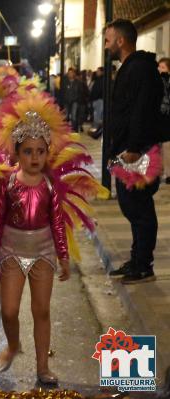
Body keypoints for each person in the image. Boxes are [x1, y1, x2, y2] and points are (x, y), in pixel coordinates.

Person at [0, 108, 71, 386]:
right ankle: (12, 345)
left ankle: (43, 367)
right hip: (11, 251)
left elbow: (57, 223)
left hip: (43, 253)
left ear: (47, 154)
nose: (35, 158)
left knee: (41, 310)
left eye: (40, 151)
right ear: (17, 154)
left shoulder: (49, 185)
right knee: (9, 311)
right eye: (28, 152)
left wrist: (63, 256)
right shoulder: (8, 183)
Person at [105, 19, 164, 284]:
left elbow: (141, 111)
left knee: (138, 206)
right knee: (132, 206)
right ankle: (137, 259)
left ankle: (143, 265)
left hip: (137, 151)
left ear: (121, 41)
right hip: (129, 147)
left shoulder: (140, 69)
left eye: (108, 40)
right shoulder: (131, 67)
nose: (106, 45)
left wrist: (133, 148)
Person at [159, 58, 170, 184]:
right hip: (161, 117)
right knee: (162, 146)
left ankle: (168, 173)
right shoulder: (159, 81)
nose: (160, 70)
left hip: (167, 117)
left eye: (162, 67)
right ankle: (161, 171)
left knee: (167, 146)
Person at [89, 67, 104, 136]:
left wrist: (93, 97)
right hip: (97, 99)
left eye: (98, 71)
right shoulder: (98, 80)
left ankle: (96, 129)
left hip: (99, 100)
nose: (97, 72)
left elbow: (97, 91)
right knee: (98, 115)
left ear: (102, 72)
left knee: (97, 115)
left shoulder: (101, 80)